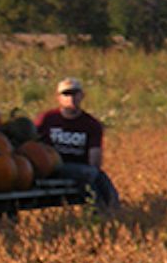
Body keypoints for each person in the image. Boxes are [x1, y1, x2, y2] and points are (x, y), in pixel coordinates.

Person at [34, 76, 120, 209]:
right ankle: (104, 211)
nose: (71, 98)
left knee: (97, 177)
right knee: (91, 175)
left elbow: (95, 158)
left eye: (75, 93)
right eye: (66, 94)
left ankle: (110, 210)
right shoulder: (47, 119)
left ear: (82, 96)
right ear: (58, 97)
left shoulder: (91, 124)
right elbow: (31, 144)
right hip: (52, 166)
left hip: (78, 167)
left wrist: (93, 170)